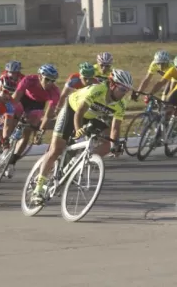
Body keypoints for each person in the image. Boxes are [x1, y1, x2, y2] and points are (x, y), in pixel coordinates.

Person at [30, 69, 133, 205]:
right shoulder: (98, 90)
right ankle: (38, 189)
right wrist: (78, 130)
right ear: (113, 85)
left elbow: (115, 128)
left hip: (89, 117)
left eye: (127, 90)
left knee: (109, 144)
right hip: (72, 110)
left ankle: (82, 159)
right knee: (56, 149)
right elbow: (79, 112)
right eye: (122, 89)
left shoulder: (121, 104)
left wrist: (115, 145)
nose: (124, 93)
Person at [9, 64, 60, 178]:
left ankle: (12, 161)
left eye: (53, 81)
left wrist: (41, 132)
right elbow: (16, 96)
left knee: (29, 130)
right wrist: (8, 113)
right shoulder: (29, 79)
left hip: (37, 104)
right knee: (14, 112)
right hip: (24, 98)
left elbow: (48, 115)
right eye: (47, 79)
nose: (49, 83)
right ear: (40, 76)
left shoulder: (55, 92)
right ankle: (6, 138)